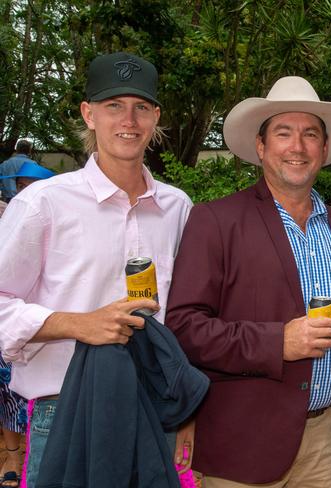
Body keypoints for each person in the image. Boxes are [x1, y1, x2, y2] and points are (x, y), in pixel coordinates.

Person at [0, 51, 193, 486]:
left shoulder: (177, 207)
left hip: (153, 405)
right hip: (66, 407)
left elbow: (186, 313)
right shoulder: (44, 204)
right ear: (89, 114)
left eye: (141, 107)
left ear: (156, 116)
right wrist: (78, 323)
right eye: (113, 106)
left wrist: (185, 404)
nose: (129, 119)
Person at [166, 76, 331, 488]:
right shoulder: (217, 221)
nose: (298, 146)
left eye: (310, 134)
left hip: (320, 438)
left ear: (325, 149)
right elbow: (183, 328)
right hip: (243, 443)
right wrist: (278, 343)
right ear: (261, 147)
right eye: (283, 133)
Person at [0, 161, 54, 488]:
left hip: (24, 318)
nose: (23, 188)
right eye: (19, 183)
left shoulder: (17, 211)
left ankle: (16, 454)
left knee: (11, 389)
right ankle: (11, 453)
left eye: (27, 183)